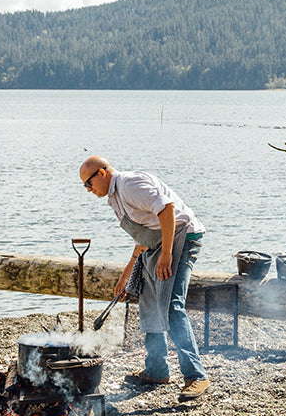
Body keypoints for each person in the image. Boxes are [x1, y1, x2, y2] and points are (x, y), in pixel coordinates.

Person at [80, 155, 210, 402]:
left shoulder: (130, 185)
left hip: (181, 239)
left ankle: (197, 376)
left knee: (171, 306)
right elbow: (142, 238)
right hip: (157, 246)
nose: (88, 189)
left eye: (89, 183)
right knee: (149, 303)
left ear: (102, 173)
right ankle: (157, 370)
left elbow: (167, 208)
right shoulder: (115, 198)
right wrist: (126, 274)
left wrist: (167, 254)